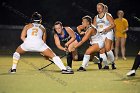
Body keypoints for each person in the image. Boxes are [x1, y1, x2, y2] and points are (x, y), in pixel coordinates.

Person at [93, 3, 116, 69]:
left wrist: (106, 29)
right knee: (101, 50)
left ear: (103, 8)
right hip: (100, 34)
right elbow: (94, 27)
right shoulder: (96, 17)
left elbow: (113, 25)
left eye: (100, 8)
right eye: (97, 8)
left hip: (108, 32)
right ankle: (106, 65)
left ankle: (112, 63)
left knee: (108, 49)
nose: (98, 9)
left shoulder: (108, 15)